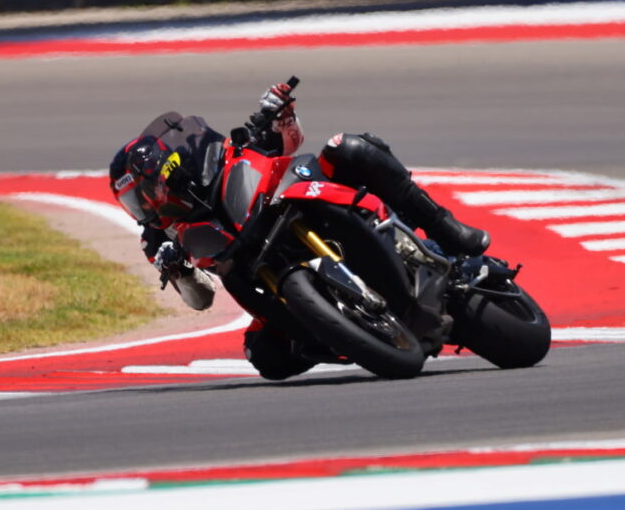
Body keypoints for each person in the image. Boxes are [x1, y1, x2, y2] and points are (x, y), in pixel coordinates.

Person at [108, 81, 488, 379]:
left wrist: (281, 113)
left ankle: (447, 230)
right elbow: (200, 299)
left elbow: (290, 141)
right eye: (135, 202)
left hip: (289, 211)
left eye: (145, 192)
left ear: (168, 172)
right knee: (265, 358)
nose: (146, 205)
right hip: (255, 271)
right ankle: (345, 335)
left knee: (348, 147)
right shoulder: (157, 236)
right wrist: (179, 270)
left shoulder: (218, 157)